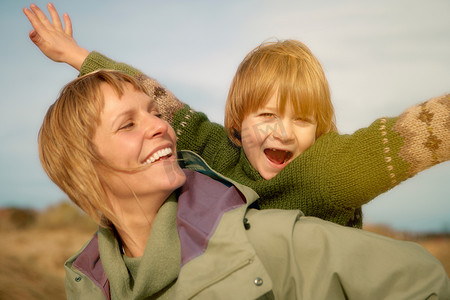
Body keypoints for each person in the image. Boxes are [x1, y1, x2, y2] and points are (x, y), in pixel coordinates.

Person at [24, 3, 450, 228]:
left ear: (319, 130)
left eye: (302, 119)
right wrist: (77, 56)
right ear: (237, 122)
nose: (282, 131)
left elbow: (418, 132)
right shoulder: (220, 156)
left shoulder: (329, 171)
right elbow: (157, 99)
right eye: (266, 114)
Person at [38, 69, 448, 299]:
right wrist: (77, 55)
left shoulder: (271, 239)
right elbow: (182, 114)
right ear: (83, 167)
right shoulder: (88, 283)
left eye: (152, 113)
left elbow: (422, 280)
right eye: (129, 124)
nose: (160, 126)